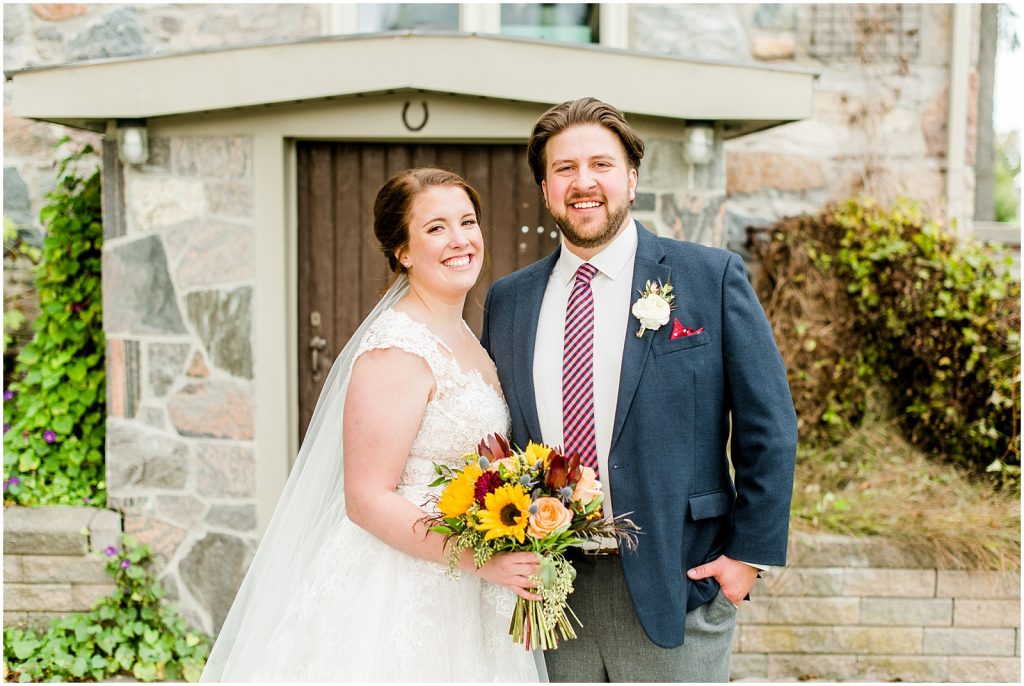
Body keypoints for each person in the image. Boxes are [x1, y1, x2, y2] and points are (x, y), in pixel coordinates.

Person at [480, 97, 798, 682]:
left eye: (601, 164)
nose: (584, 183)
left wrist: (746, 557)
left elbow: (769, 426)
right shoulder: (510, 300)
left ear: (631, 177)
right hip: (550, 595)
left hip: (678, 582)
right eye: (564, 168)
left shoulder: (709, 276)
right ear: (546, 189)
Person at [202, 168, 542, 682]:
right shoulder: (397, 347)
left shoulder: (466, 336)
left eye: (467, 222)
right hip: (403, 588)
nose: (460, 240)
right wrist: (481, 560)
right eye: (436, 228)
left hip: (470, 585)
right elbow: (366, 499)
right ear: (403, 251)